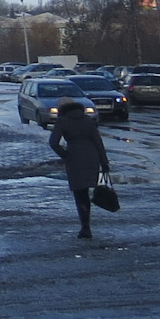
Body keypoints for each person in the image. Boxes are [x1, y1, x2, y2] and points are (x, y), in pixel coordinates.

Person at [48, 99, 110, 239]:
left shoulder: (62, 121)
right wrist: (104, 161)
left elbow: (53, 142)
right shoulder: (87, 120)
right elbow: (98, 141)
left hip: (74, 157)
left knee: (79, 192)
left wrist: (64, 155)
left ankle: (85, 226)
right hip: (91, 156)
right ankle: (86, 225)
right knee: (87, 189)